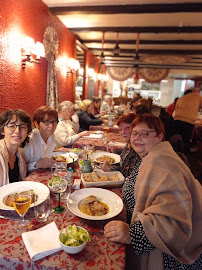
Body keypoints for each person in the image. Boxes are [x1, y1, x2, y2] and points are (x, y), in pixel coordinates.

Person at [104, 114, 202, 270]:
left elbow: (173, 223)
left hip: (167, 259)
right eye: (134, 133)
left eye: (144, 133)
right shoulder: (151, 157)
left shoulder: (163, 163)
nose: (137, 138)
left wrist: (131, 234)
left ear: (159, 136)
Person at [102, 113, 141, 178]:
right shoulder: (128, 144)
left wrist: (110, 169)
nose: (123, 132)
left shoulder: (138, 150)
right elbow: (123, 164)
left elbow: (129, 177)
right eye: (121, 129)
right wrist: (115, 151)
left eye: (127, 128)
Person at [0, 109, 32, 186]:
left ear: (27, 132)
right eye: (11, 126)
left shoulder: (20, 157)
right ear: (2, 131)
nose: (17, 131)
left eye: (22, 126)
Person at [22, 106, 58, 171]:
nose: (51, 126)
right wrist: (36, 164)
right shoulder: (29, 141)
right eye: (46, 122)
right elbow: (19, 168)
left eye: (53, 122)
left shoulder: (51, 136)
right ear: (36, 124)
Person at [172, 88, 202, 153]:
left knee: (176, 139)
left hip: (177, 120)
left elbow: (176, 110)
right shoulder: (197, 97)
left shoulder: (180, 99)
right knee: (186, 139)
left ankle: (175, 153)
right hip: (188, 121)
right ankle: (185, 155)